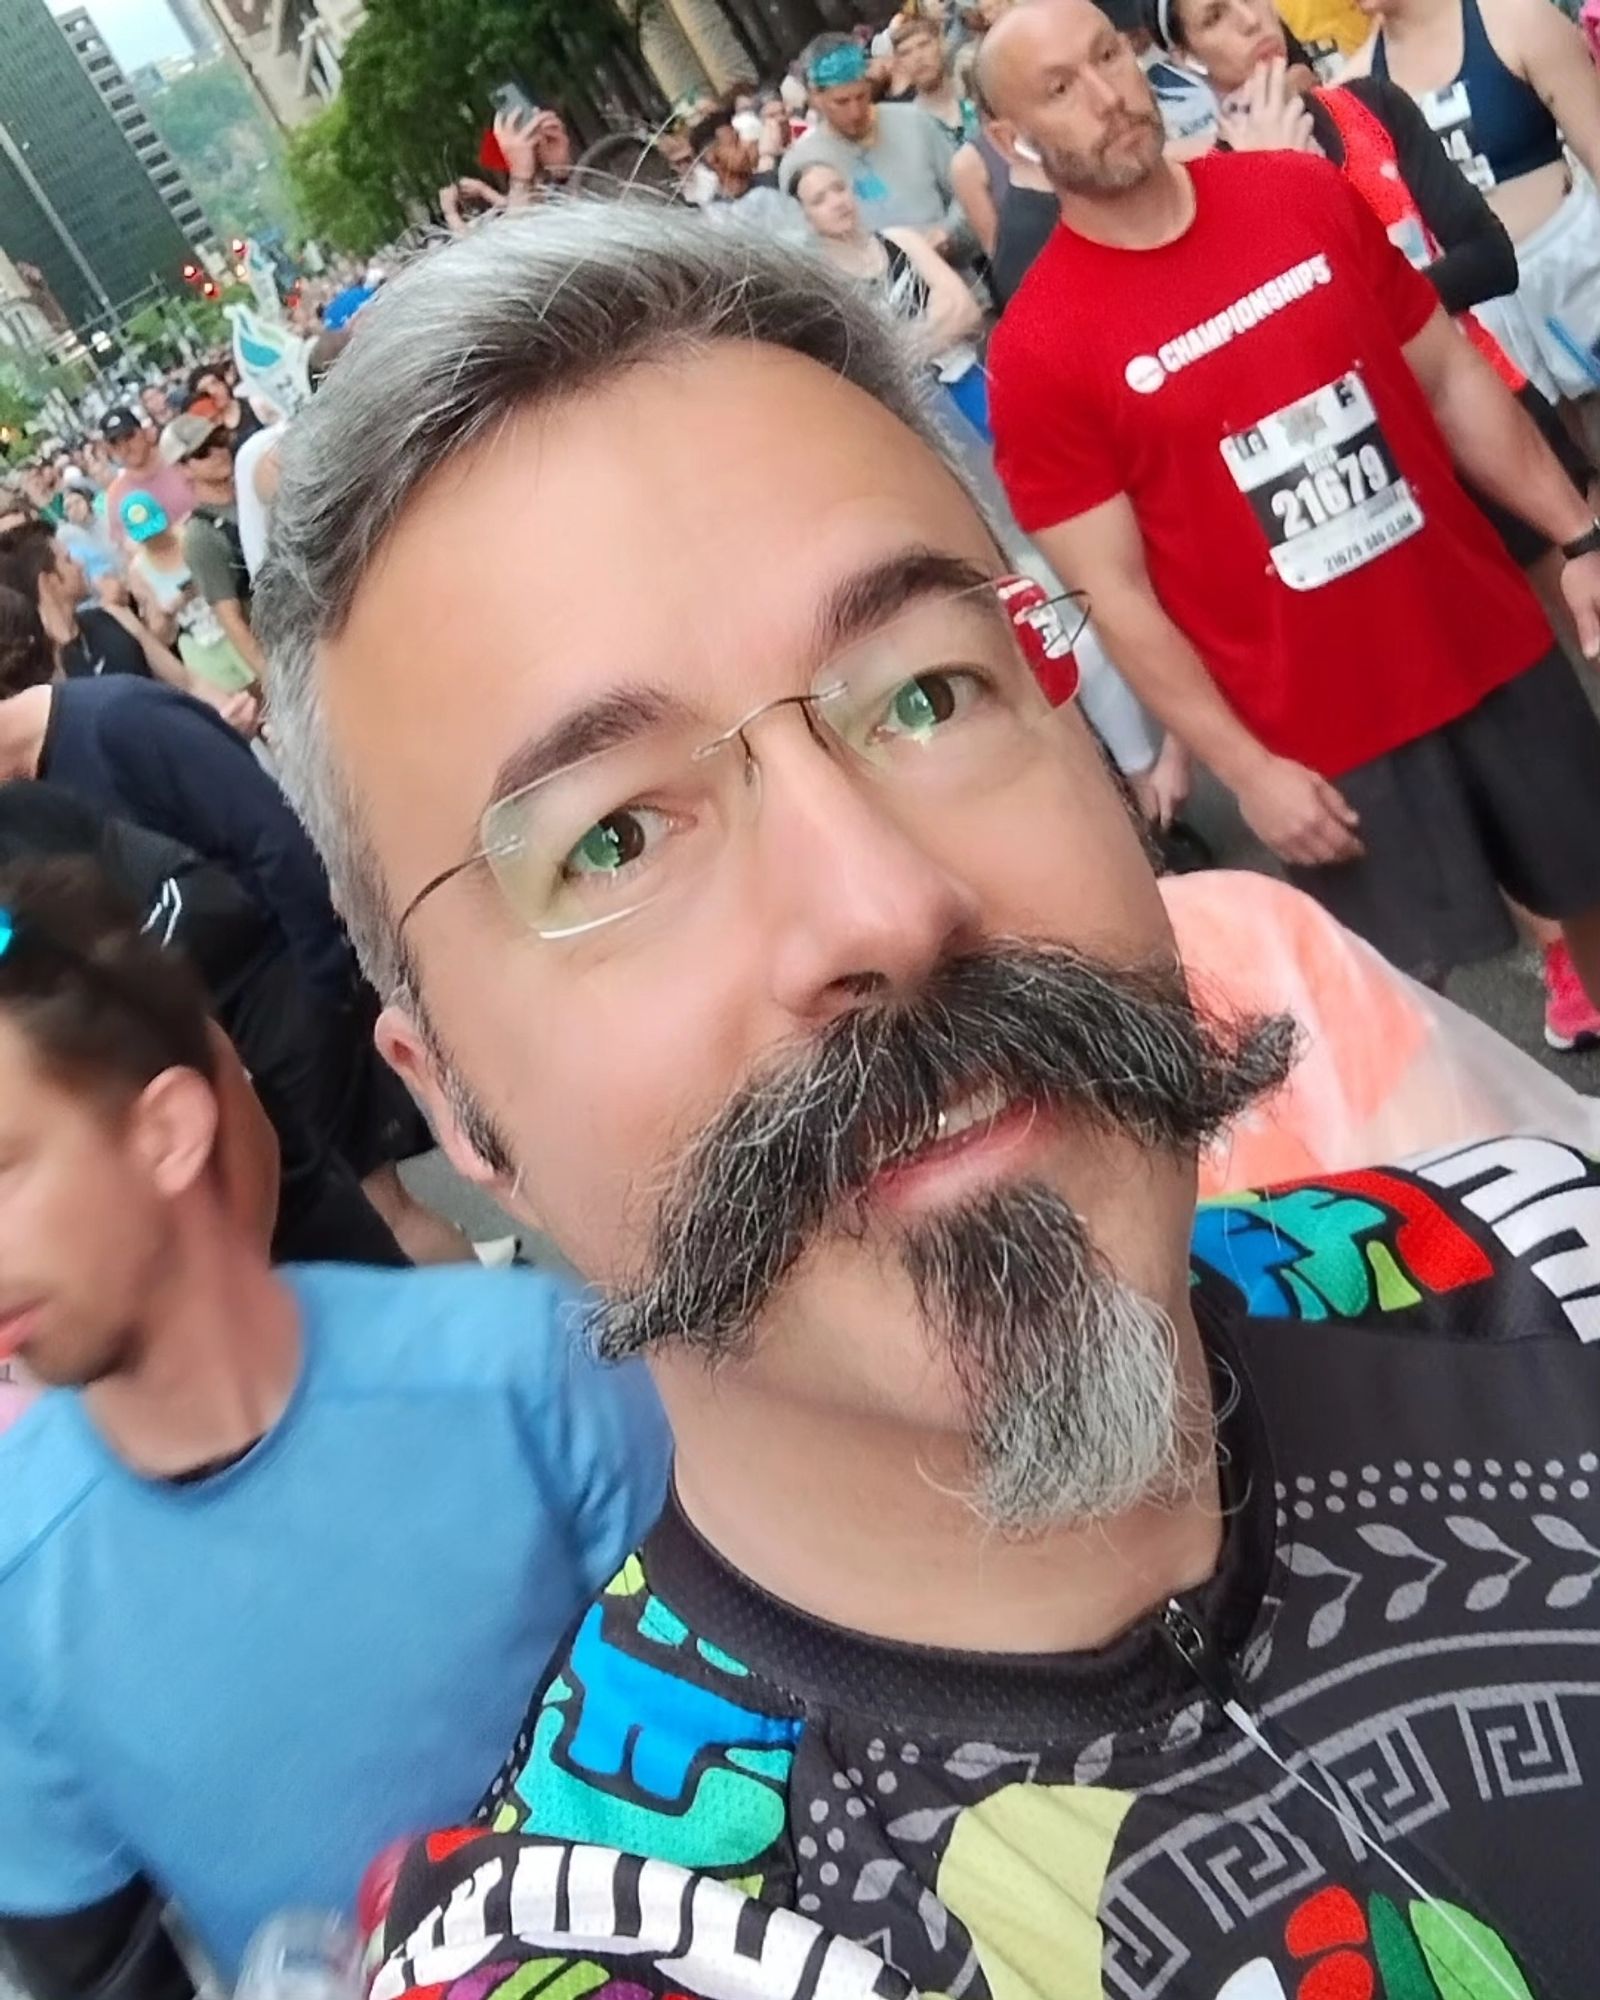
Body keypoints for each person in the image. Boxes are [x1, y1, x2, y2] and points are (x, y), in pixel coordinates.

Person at [258, 202, 1600, 2000]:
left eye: (928, 694)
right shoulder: (606, 1955)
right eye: (617, 836)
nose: (883, 906)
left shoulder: (1545, 1263)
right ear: (465, 1113)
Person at [0, 852, 670, 1998]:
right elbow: (93, 1970)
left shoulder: (526, 1372)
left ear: (166, 1131)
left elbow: (791, 1727)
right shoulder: (17, 1585)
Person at [981, 0, 1600, 1011]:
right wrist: (1247, 769)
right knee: (1407, 1014)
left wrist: (1578, 532)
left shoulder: (1296, 192)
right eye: (1058, 87)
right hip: (1322, 735)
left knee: (1593, 884)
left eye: (1107, 56)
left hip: (1482, 640)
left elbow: (1445, 379)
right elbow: (1116, 594)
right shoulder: (1040, 350)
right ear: (1014, 142)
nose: (1103, 96)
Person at [0, 623, 473, 1266]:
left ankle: (492, 1347)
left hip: (291, 991)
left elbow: (273, 837)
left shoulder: (120, 720)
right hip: (235, 1044)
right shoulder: (31, 804)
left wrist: (325, 986)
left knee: (380, 1212)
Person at [1357, 0, 1600, 409]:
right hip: (1482, 311)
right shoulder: (1356, 89)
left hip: (1575, 271)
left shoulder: (1518, 19)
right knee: (1563, 461)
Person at [795, 160, 990, 436]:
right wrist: (935, 323)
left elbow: (967, 312)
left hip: (963, 380)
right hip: (905, 416)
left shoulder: (902, 240)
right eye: (819, 200)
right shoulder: (823, 284)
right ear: (806, 216)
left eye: (839, 189)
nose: (836, 202)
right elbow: (863, 368)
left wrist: (898, 348)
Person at [780, 32, 968, 251]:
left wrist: (948, 232)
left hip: (950, 269)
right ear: (815, 99)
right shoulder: (801, 165)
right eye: (841, 102)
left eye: (861, 96)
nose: (855, 111)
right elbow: (807, 248)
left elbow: (965, 192)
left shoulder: (914, 120)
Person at [0, 518, 214, 702]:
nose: (80, 563)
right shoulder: (41, 672)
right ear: (48, 582)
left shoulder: (113, 616)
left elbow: (187, 682)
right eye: (67, 560)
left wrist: (228, 708)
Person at [101, 409, 193, 554]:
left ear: (143, 432)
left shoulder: (177, 459)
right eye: (116, 444)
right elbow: (126, 547)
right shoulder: (116, 496)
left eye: (129, 437)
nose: (126, 448)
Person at [888, 11, 972, 143]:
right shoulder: (907, 126)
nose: (917, 57)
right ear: (899, 65)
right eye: (906, 53)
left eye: (924, 45)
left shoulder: (977, 97)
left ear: (941, 45)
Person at [185, 360, 263, 455]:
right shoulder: (210, 433)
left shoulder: (252, 403)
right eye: (204, 391)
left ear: (224, 382)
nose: (212, 391)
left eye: (214, 383)